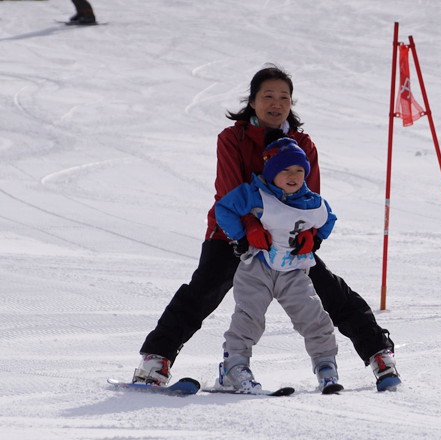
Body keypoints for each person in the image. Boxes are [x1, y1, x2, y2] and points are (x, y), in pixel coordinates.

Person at [133, 64, 401, 391]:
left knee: (327, 290)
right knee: (205, 289)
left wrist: (308, 236)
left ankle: (379, 355)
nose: (276, 103)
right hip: (233, 234)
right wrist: (248, 232)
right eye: (268, 96)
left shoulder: (303, 142)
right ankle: (155, 361)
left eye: (284, 97)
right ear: (253, 101)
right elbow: (228, 192)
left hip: (285, 241)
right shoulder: (233, 138)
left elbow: (310, 197)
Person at [215, 136, 339, 393]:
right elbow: (224, 208)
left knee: (312, 314)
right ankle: (234, 366)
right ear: (271, 173)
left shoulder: (312, 201)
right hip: (257, 267)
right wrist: (240, 235)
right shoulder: (256, 194)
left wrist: (313, 240)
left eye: (299, 171)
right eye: (285, 170)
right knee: (249, 317)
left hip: (293, 270)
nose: (293, 176)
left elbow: (328, 219)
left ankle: (325, 364)